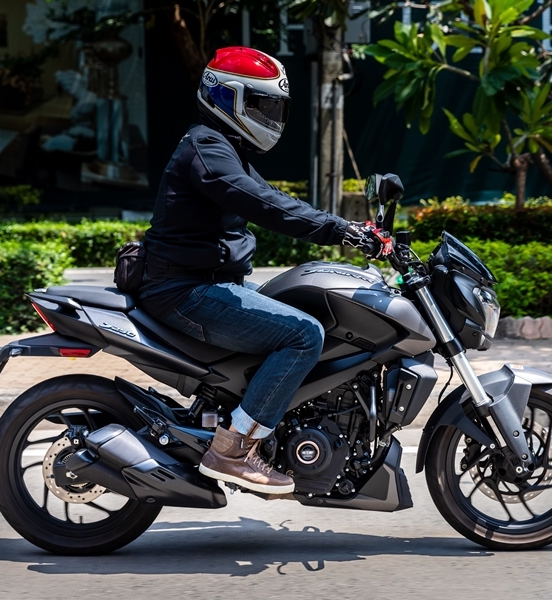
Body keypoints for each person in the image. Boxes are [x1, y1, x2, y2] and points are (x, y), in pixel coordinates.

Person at [139, 47, 381, 495]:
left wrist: (349, 228)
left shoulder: (223, 147)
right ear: (226, 97)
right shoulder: (207, 149)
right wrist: (341, 231)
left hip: (203, 283)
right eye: (261, 105)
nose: (270, 116)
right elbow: (265, 205)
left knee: (303, 304)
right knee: (303, 335)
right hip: (185, 291)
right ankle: (233, 449)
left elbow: (276, 198)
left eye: (273, 107)